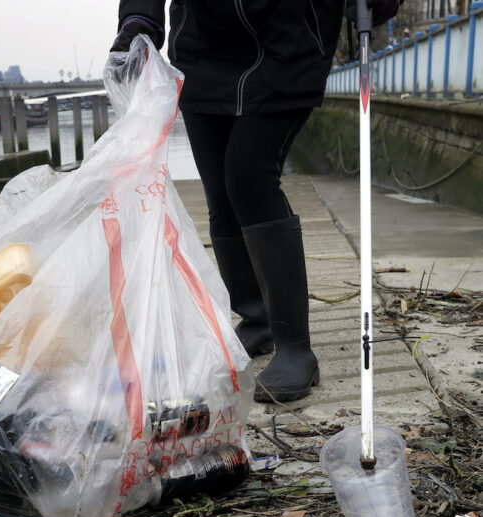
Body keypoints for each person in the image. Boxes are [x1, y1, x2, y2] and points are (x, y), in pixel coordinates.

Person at [112, 0, 400, 402]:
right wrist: (138, 22)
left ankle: (295, 347)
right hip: (201, 45)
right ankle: (257, 318)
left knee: (248, 177)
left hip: (290, 39)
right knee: (220, 191)